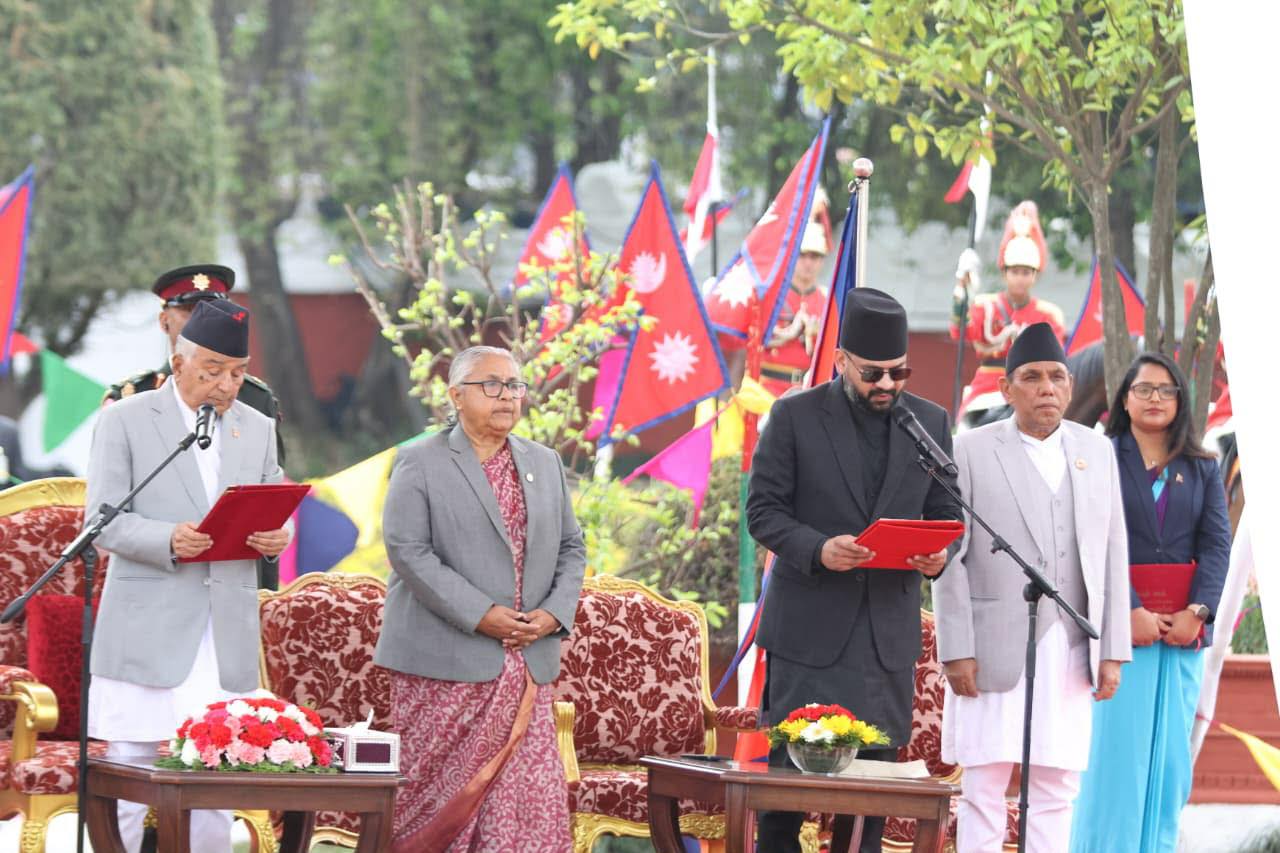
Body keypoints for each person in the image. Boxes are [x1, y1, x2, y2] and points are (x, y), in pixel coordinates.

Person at [747, 288, 964, 853]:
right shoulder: (794, 415)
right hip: (809, 639)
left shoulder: (930, 422)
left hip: (883, 645)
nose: (888, 386)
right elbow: (762, 512)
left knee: (870, 806)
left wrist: (938, 557)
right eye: (873, 374)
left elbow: (948, 516)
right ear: (842, 360)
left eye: (899, 373)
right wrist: (820, 549)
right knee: (785, 805)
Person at [86, 300, 289, 853]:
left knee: (214, 775)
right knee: (128, 777)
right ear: (179, 365)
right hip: (147, 623)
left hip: (222, 629)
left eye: (238, 372)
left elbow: (276, 502)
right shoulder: (124, 420)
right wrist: (166, 540)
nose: (227, 385)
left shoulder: (258, 426)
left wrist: (279, 536)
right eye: (213, 371)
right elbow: (101, 523)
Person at [375, 345, 586, 852]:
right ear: (456, 395)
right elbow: (408, 551)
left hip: (527, 662)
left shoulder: (544, 461)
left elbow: (571, 547)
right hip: (443, 664)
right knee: (433, 808)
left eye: (515, 386)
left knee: (523, 810)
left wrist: (553, 614)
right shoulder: (420, 460)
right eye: (491, 385)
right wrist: (481, 615)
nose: (507, 396)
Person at [934, 322, 1131, 853]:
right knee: (984, 784)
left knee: (1057, 786)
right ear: (1007, 389)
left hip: (1070, 642)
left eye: (1057, 377)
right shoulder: (970, 448)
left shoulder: (1097, 450)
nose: (1047, 388)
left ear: (1069, 387)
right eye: (1032, 377)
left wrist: (1111, 651)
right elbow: (949, 556)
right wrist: (956, 649)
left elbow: (1112, 554)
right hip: (991, 645)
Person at [1069, 352, 1231, 853]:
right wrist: (1127, 612)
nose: (1155, 398)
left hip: (1182, 639)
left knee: (1168, 766)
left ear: (1181, 399)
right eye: (1143, 389)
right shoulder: (1100, 456)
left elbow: (1216, 545)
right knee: (1115, 760)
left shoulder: (1203, 466)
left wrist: (1198, 612)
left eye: (1165, 390)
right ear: (1124, 398)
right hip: (1124, 638)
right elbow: (1091, 541)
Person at [104, 263, 283, 459]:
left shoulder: (256, 399)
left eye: (214, 310)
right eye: (190, 310)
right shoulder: (131, 398)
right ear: (164, 321)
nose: (204, 320)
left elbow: (271, 478)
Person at [951, 202, 1066, 422]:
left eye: (1026, 272)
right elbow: (959, 331)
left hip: (1033, 388)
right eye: (1015, 271)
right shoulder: (985, 306)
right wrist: (961, 289)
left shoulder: (1049, 315)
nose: (1020, 278)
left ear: (1035, 275)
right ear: (1005, 273)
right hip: (988, 385)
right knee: (965, 433)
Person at [758, 220, 830, 396]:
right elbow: (752, 340)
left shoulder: (827, 301)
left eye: (814, 256)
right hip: (767, 389)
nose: (808, 263)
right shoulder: (771, 296)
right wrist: (789, 333)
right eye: (802, 255)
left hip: (808, 392)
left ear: (821, 261)